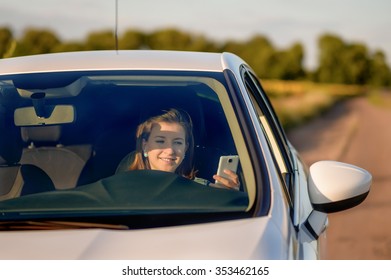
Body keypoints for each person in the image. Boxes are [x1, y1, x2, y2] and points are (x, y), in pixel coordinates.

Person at [127, 108, 240, 189]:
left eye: (177, 142)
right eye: (160, 141)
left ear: (185, 148)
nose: (170, 150)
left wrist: (229, 195)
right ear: (144, 145)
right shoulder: (121, 188)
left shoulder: (203, 190)